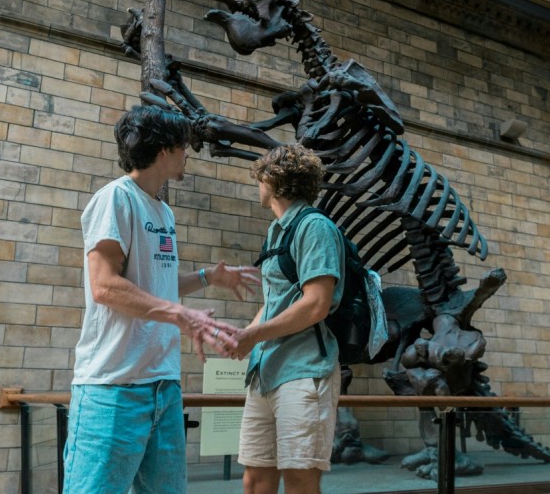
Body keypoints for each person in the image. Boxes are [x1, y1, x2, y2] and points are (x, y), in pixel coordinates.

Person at [63, 104, 259, 494]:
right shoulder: (115, 199)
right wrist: (178, 314)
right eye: (184, 145)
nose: (189, 153)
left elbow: (154, 287)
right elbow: (104, 286)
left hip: (164, 388)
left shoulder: (164, 211)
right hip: (113, 387)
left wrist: (207, 277)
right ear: (165, 149)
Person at [232, 144, 346, 494]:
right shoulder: (276, 231)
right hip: (265, 373)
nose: (258, 185)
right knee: (256, 480)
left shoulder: (315, 227)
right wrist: (244, 335)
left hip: (304, 371)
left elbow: (316, 305)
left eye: (260, 178)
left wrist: (255, 335)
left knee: (300, 480)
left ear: (274, 179)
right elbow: (276, 302)